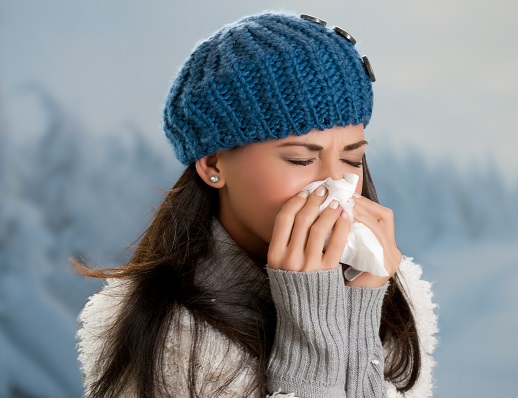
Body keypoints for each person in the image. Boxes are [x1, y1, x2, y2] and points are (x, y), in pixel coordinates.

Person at [76, 11, 437, 398]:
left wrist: (362, 304)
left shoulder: (391, 291)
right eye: (301, 159)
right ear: (214, 164)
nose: (338, 186)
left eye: (352, 159)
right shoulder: (161, 332)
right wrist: (312, 337)